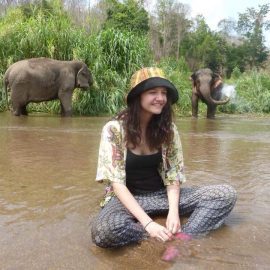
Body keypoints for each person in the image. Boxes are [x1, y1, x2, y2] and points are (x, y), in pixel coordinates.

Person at [91, 67, 237, 248]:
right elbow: (117, 184)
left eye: (164, 93)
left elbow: (173, 176)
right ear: (138, 97)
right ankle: (150, 235)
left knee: (225, 194)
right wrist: (149, 224)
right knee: (104, 232)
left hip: (161, 197)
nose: (160, 98)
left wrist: (174, 212)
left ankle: (185, 236)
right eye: (153, 92)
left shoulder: (168, 130)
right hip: (127, 199)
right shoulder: (114, 130)